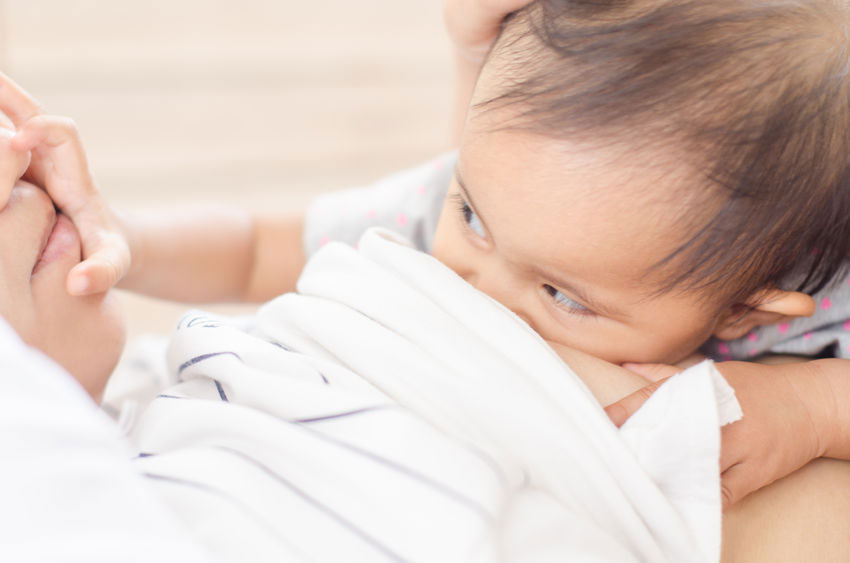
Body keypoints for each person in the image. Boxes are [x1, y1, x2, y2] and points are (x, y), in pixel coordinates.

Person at [0, 0, 848, 541]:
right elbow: (259, 245)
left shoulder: (817, 312)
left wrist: (810, 408)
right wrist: (124, 240)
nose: (474, 289)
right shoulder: (501, 204)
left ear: (747, 312)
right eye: (470, 214)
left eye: (561, 296)